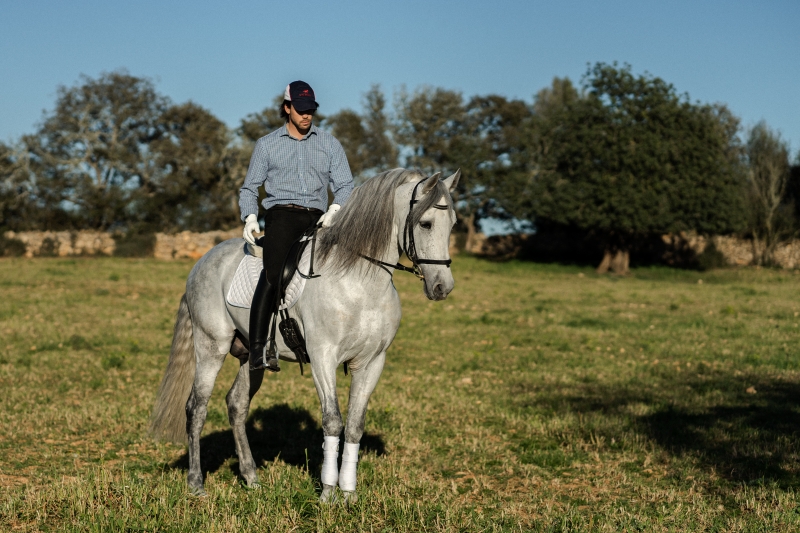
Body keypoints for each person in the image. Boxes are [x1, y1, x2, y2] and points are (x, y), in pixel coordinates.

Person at [239, 80, 354, 372]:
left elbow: (345, 185)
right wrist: (250, 216)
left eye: (311, 110)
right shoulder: (267, 145)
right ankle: (257, 349)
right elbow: (249, 188)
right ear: (287, 108)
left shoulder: (329, 143)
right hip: (282, 216)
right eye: (300, 110)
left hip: (320, 218)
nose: (306, 115)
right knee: (274, 273)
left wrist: (336, 209)